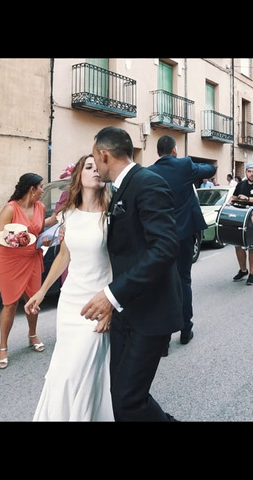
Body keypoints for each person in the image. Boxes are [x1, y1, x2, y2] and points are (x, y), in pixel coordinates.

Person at [81, 126, 183, 422]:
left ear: (103, 154)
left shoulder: (148, 183)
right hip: (126, 311)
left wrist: (112, 295)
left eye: (95, 159)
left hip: (151, 312)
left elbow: (164, 248)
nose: (96, 165)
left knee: (129, 400)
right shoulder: (118, 188)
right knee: (122, 395)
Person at [25, 155, 114, 421]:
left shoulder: (113, 216)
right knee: (63, 372)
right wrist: (41, 291)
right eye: (88, 167)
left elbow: (122, 262)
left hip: (97, 305)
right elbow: (65, 255)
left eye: (98, 166)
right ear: (78, 177)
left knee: (84, 371)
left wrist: (112, 303)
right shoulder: (69, 215)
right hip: (70, 303)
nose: (95, 170)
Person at [148, 135, 216, 355]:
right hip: (184, 233)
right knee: (184, 280)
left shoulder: (149, 172)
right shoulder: (185, 165)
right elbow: (210, 169)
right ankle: (186, 329)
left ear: (158, 152)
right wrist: (191, 165)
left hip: (160, 236)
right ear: (174, 150)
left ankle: (164, 337)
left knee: (163, 285)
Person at [0, 172, 59, 369]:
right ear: (32, 189)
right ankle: (3, 346)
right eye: (40, 187)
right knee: (10, 304)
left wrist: (52, 227)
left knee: (33, 301)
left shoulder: (40, 207)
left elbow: (39, 228)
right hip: (10, 261)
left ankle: (32, 335)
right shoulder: (10, 208)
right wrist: (19, 239)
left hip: (32, 259)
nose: (42, 190)